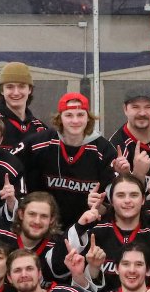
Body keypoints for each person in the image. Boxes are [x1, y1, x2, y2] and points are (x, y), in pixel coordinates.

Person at [17, 92, 117, 226]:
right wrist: (21, 197)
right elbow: (11, 162)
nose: (75, 121)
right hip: (43, 226)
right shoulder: (40, 142)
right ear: (60, 118)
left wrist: (102, 206)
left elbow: (114, 195)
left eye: (80, 115)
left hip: (86, 226)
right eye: (69, 115)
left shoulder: (104, 150)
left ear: (88, 118)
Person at [64, 172, 150, 292]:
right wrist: (93, 269)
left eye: (134, 195)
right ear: (112, 201)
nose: (127, 200)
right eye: (120, 195)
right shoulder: (94, 234)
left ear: (143, 200)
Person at [109, 86, 150, 180]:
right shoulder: (115, 146)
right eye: (135, 107)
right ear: (125, 109)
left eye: (148, 107)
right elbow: (118, 192)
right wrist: (132, 174)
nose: (142, 113)